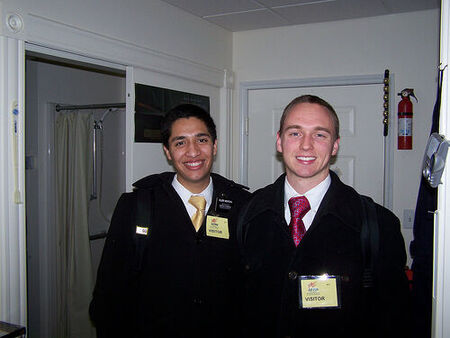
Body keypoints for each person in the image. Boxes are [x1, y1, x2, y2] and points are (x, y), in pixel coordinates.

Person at [238, 95, 411, 338]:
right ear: (279, 142)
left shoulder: (377, 224)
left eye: (320, 135)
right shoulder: (248, 214)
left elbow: (395, 319)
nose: (306, 145)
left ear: (335, 146)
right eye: (295, 133)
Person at [89, 104, 251, 338]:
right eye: (180, 142)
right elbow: (108, 295)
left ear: (214, 146)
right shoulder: (138, 205)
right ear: (167, 151)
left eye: (201, 140)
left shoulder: (243, 205)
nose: (193, 152)